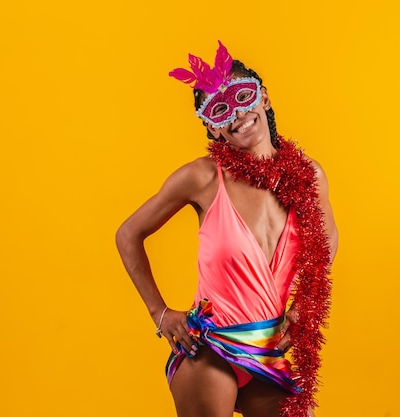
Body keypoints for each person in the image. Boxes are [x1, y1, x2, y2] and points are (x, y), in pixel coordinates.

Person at [116, 41, 338, 417]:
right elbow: (128, 234)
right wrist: (160, 313)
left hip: (269, 348)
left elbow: (326, 239)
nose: (237, 115)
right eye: (221, 111)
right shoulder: (202, 178)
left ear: (263, 98)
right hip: (210, 346)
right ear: (212, 128)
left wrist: (303, 307)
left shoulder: (308, 175)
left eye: (242, 96)